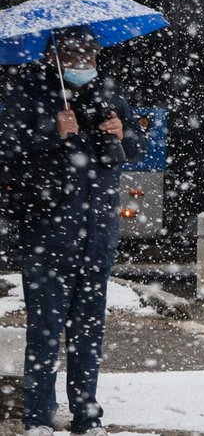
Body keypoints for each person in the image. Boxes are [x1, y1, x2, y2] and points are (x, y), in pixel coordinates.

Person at [0, 27, 145, 436]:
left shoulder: (108, 95)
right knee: (44, 331)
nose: (84, 61)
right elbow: (7, 150)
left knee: (88, 334)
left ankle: (87, 418)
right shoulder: (30, 93)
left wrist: (123, 133)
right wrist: (54, 133)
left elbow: (134, 145)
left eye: (90, 53)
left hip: (97, 233)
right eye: (75, 53)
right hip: (48, 233)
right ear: (55, 56)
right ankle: (38, 419)